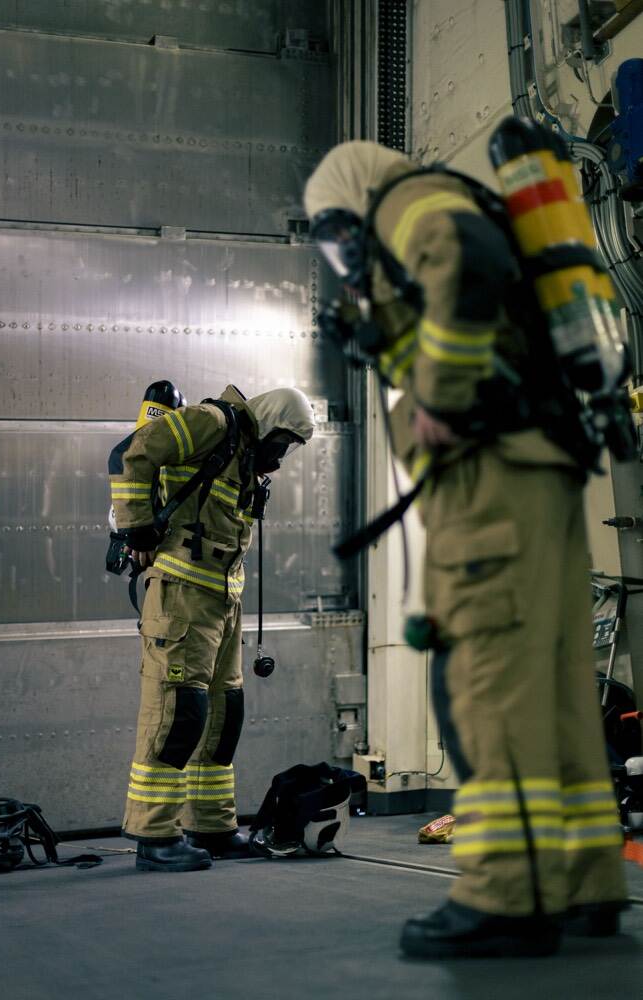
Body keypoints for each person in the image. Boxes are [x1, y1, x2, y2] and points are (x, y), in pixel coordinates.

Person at [304, 140, 627, 958]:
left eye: (337, 231)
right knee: (555, 689)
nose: (343, 252)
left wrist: (439, 397)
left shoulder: (403, 201)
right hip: (539, 474)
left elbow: (467, 263)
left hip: (491, 481)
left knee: (487, 686)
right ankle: (584, 882)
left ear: (352, 200)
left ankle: (504, 896)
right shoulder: (449, 206)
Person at [108, 384, 315, 871]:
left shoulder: (243, 455)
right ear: (268, 422)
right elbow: (133, 453)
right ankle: (155, 835)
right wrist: (137, 526)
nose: (280, 457)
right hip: (181, 593)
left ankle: (212, 826)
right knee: (177, 712)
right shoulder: (213, 423)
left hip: (223, 599)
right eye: (282, 443)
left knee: (223, 714)